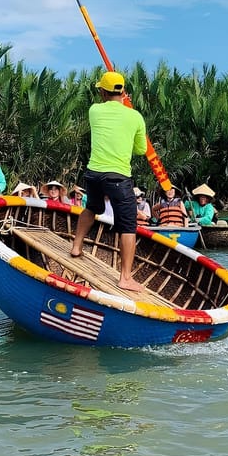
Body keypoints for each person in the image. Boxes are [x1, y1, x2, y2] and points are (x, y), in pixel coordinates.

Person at [70, 71, 147, 291]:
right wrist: (128, 112)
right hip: (118, 176)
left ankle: (76, 246)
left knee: (92, 207)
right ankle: (125, 278)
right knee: (128, 225)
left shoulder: (94, 111)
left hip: (93, 173)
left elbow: (108, 108)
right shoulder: (135, 117)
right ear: (123, 92)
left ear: (103, 92)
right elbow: (141, 149)